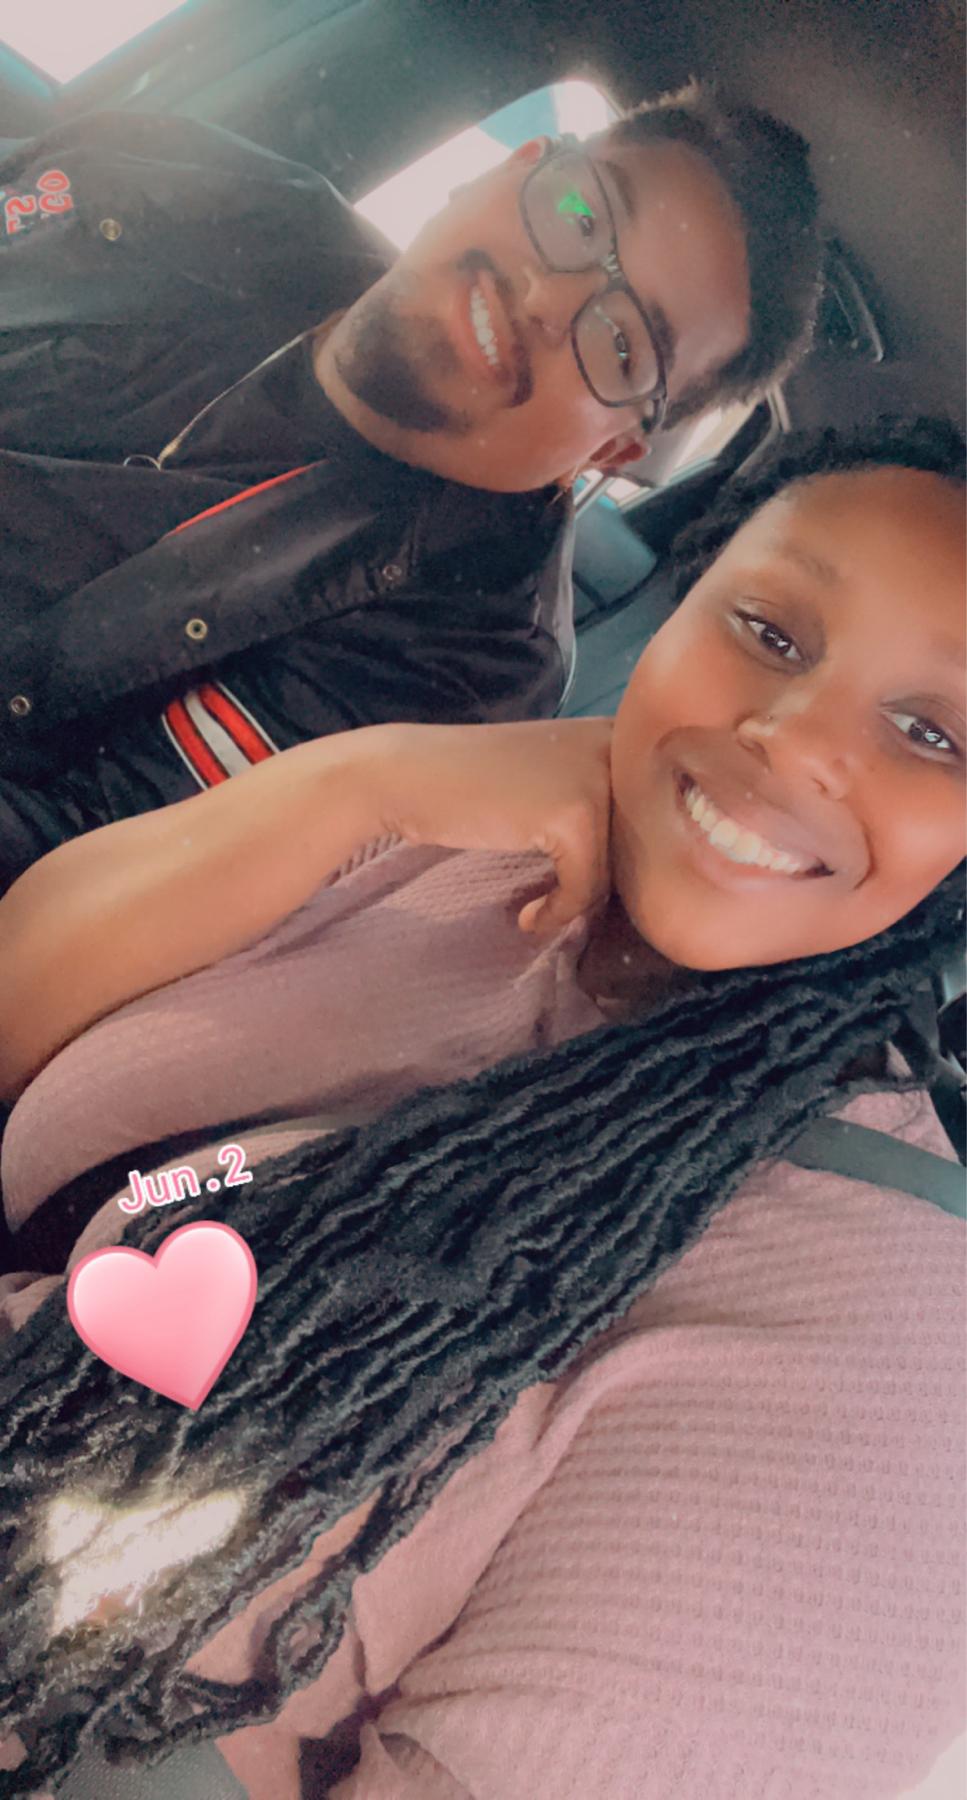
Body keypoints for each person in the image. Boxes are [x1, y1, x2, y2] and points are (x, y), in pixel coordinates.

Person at [0, 416, 963, 1800]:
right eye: (766, 631)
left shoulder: (892, 1343)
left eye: (931, 734)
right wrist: (362, 782)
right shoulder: (456, 846)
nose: (788, 740)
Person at [0, 82, 822, 893]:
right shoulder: (213, 185)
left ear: (612, 447)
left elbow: (79, 868)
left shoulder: (461, 657)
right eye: (580, 217)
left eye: (621, 344)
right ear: (512, 167)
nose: (547, 296)